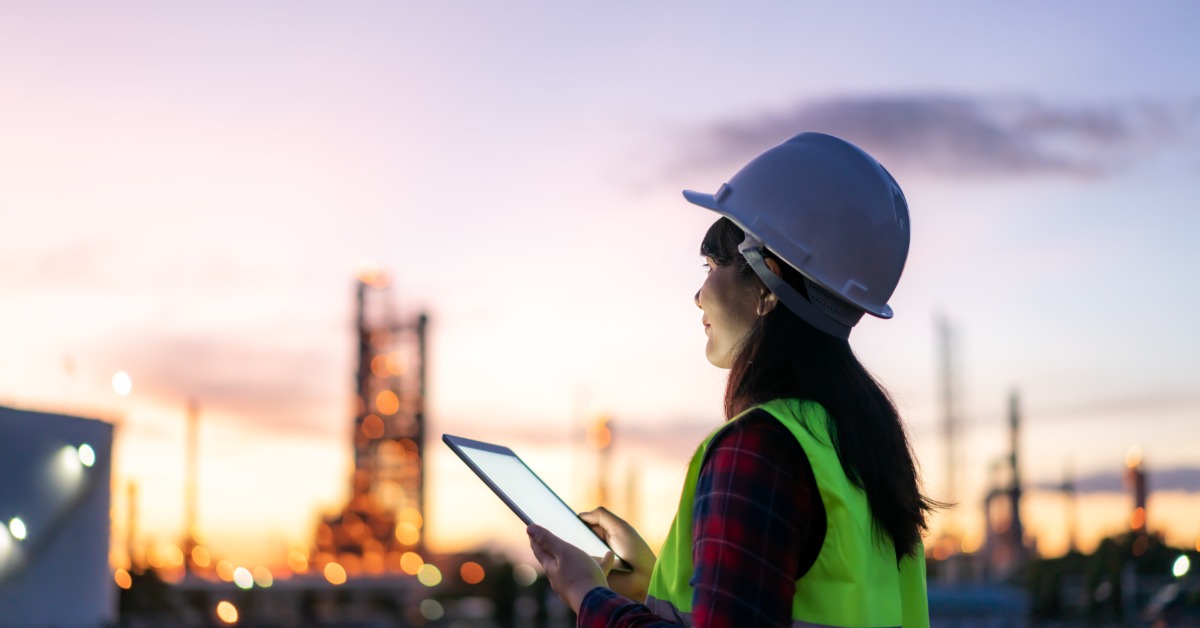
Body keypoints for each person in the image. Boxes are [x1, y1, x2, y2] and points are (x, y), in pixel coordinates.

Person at [527, 132, 937, 627]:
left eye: (712, 265)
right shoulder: (860, 446)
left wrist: (585, 591)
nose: (698, 296)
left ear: (768, 284)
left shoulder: (759, 448)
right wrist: (651, 582)